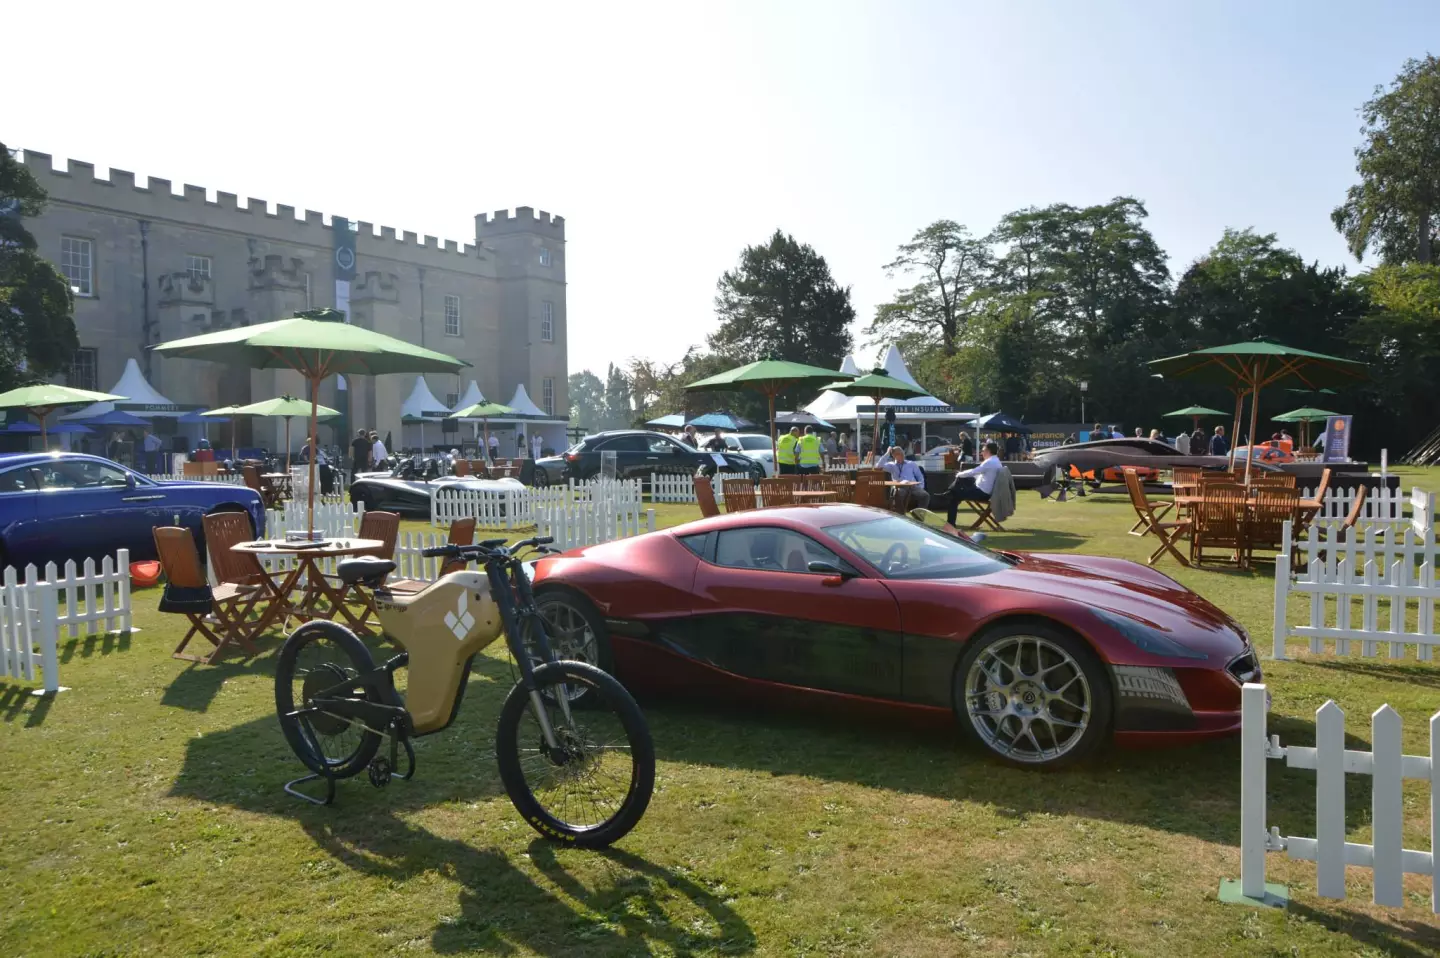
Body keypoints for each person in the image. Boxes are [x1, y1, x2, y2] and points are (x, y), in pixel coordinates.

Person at [943, 441, 1002, 535]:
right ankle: (949, 492)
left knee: (953, 496)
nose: (982, 453)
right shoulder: (995, 461)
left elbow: (974, 471)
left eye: (983, 450)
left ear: (988, 451)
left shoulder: (989, 462)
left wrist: (959, 474)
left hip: (982, 493)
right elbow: (978, 473)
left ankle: (950, 523)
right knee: (961, 480)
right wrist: (961, 475)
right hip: (983, 490)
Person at [881, 445, 930, 511]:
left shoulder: (911, 464)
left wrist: (921, 487)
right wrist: (887, 453)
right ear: (893, 456)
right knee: (898, 495)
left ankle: (920, 514)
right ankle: (901, 514)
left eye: (902, 452)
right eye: (899, 453)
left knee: (925, 495)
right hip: (900, 487)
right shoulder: (891, 465)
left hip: (913, 486)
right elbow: (878, 466)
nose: (902, 455)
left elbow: (920, 476)